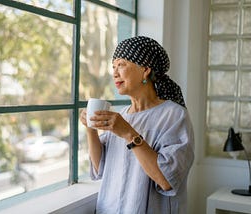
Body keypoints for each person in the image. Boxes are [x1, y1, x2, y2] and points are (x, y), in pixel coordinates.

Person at [79, 36, 194, 214]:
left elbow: (166, 180)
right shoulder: (122, 116)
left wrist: (129, 134)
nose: (115, 73)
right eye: (113, 66)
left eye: (122, 64)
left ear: (145, 69)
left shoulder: (174, 115)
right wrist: (90, 129)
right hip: (108, 208)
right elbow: (99, 167)